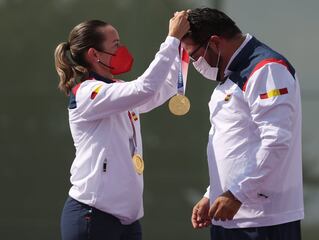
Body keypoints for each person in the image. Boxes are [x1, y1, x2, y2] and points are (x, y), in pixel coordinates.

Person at [54, 12, 189, 240]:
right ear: (94, 54)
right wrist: (171, 39)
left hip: (127, 220)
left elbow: (163, 89)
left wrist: (182, 47)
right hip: (93, 216)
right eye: (115, 45)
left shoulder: (118, 88)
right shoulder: (89, 92)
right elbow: (144, 88)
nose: (121, 50)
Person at [181, 8, 304, 240]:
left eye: (194, 56)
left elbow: (276, 142)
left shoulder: (266, 68)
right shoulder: (231, 75)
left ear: (215, 42)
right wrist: (213, 193)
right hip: (231, 214)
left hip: (263, 219)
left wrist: (237, 193)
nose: (195, 64)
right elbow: (236, 144)